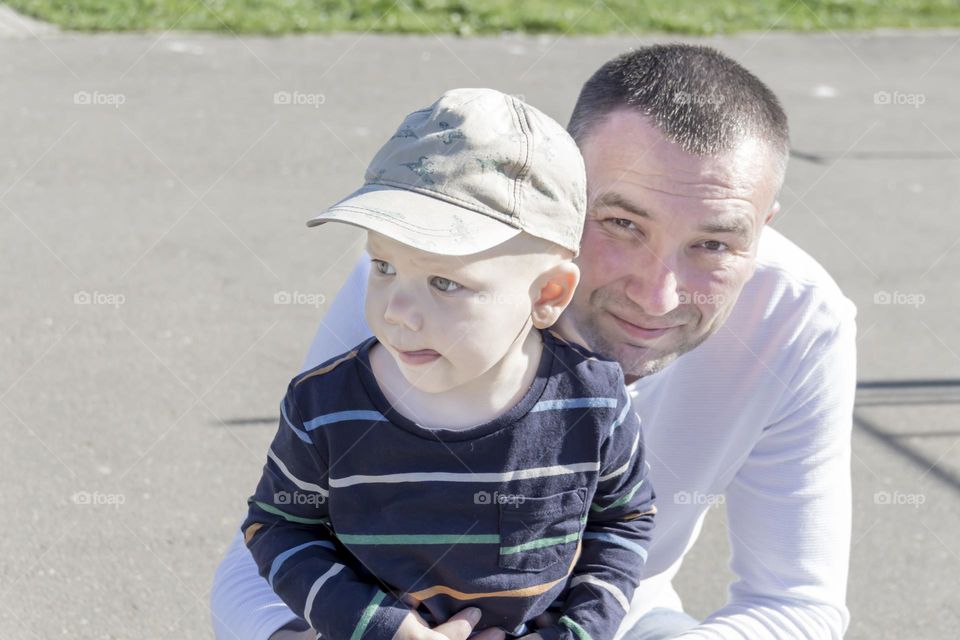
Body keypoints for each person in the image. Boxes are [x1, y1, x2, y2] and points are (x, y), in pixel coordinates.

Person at [212, 45, 857, 640]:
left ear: (762, 226)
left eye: (714, 243)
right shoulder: (424, 279)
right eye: (622, 223)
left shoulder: (800, 317)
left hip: (614, 616)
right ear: (559, 197)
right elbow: (270, 545)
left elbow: (795, 602)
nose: (658, 297)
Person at [241, 88, 656, 640]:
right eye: (384, 266)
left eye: (444, 282)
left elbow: (622, 524)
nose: (397, 311)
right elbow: (279, 526)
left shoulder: (593, 404)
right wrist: (380, 627)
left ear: (548, 293)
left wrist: (575, 632)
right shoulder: (325, 407)